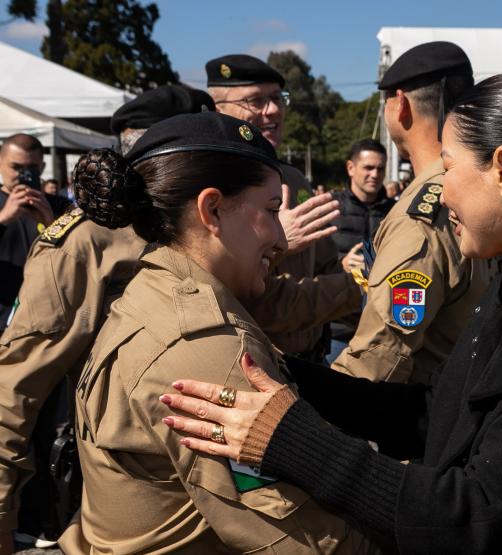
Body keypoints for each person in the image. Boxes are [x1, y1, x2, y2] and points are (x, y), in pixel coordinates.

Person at [160, 71, 502, 554]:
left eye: (449, 168)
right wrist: (289, 377)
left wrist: (295, 441)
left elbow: (485, 518)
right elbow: (437, 415)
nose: (439, 189)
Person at [0, 86, 352, 554]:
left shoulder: (188, 265)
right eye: (269, 210)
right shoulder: (87, 243)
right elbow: (14, 386)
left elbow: (260, 309)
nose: (280, 235)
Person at [330, 41, 491, 385]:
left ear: (400, 105)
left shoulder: (418, 218)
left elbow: (378, 358)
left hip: (424, 414)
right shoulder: (485, 187)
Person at [207, 53, 350, 362]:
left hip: (311, 357)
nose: (272, 110)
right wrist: (276, 243)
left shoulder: (295, 179)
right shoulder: (208, 186)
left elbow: (323, 263)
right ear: (219, 110)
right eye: (255, 101)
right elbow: (214, 288)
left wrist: (353, 275)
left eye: (277, 98)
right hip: (251, 364)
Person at [327, 139, 395, 363]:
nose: (375, 174)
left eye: (380, 168)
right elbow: (310, 264)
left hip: (381, 330)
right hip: (337, 329)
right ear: (350, 168)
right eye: (368, 167)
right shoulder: (329, 209)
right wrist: (340, 263)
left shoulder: (396, 212)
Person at [0, 134, 71, 331]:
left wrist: (52, 222)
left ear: (41, 167)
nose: (24, 175)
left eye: (31, 168)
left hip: (48, 316)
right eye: (16, 167)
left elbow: (79, 252)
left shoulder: (60, 205)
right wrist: (4, 218)